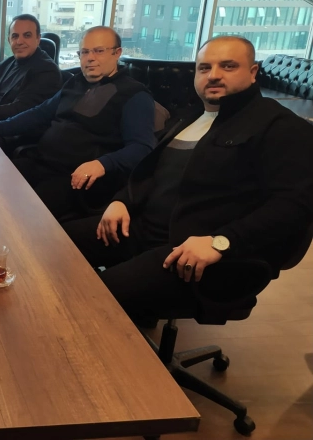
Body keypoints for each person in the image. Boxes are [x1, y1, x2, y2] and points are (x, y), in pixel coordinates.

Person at [63, 36, 313, 321]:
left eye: (228, 66)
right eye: (204, 68)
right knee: (55, 246)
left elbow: (295, 206)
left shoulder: (281, 126)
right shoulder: (191, 116)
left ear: (253, 71)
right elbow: (150, 171)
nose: (214, 75)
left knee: (94, 299)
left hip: (195, 252)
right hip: (142, 229)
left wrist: (222, 241)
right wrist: (122, 201)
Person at [0, 26, 156, 220]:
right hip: (42, 162)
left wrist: (102, 164)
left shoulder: (134, 95)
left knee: (18, 214)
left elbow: (142, 148)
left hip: (76, 180)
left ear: (117, 53)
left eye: (99, 51)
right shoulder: (75, 83)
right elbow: (40, 113)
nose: (90, 58)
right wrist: (0, 127)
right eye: (85, 52)